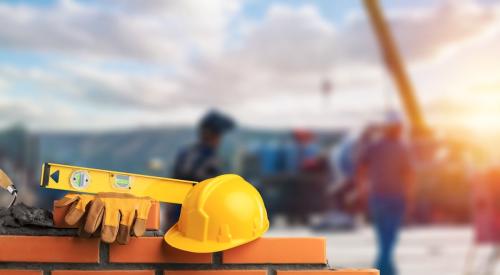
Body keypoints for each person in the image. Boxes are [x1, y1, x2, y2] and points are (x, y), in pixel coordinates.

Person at [355, 112, 414, 275]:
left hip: (378, 198)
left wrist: (362, 189)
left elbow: (360, 166)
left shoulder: (374, 146)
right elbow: (409, 174)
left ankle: (386, 268)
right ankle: (383, 268)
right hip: (395, 198)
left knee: (384, 239)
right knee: (390, 238)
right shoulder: (402, 148)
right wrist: (409, 197)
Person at [167, 110, 235, 226]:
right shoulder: (209, 160)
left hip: (181, 214)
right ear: (210, 135)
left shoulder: (187, 153)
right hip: (192, 217)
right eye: (218, 135)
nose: (219, 139)